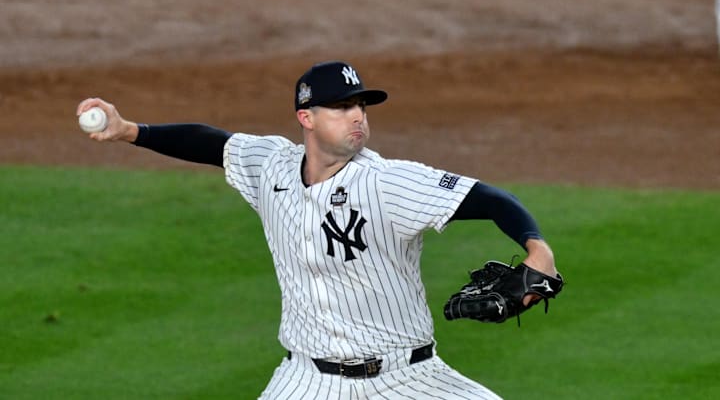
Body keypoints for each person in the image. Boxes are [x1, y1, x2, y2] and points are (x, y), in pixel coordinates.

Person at [76, 60, 557, 399]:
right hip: (308, 382)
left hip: (409, 380)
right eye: (341, 107)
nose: (357, 116)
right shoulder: (273, 167)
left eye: (361, 107)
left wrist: (537, 250)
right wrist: (128, 130)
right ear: (306, 118)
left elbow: (494, 200)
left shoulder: (388, 182)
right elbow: (210, 142)